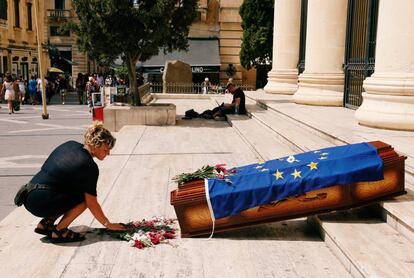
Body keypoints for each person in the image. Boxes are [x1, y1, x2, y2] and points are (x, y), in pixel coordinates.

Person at [14, 122, 126, 243]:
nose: (108, 153)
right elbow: (91, 203)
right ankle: (59, 231)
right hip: (42, 202)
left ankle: (46, 223)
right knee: (83, 198)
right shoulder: (89, 166)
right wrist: (108, 224)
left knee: (71, 188)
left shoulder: (70, 144)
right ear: (94, 145)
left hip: (29, 195)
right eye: (105, 150)